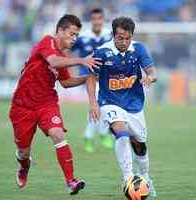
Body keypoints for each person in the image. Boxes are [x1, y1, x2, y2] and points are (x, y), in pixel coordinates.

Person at [9, 14, 101, 195]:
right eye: (72, 34)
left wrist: (89, 77)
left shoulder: (63, 56)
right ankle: (24, 165)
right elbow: (53, 61)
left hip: (46, 104)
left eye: (76, 35)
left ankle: (71, 181)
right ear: (60, 31)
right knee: (23, 152)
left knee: (58, 135)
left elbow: (66, 83)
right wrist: (82, 60)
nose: (74, 39)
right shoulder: (47, 42)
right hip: (22, 106)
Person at [86, 16, 157, 197]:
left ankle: (145, 177)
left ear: (132, 36)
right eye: (120, 38)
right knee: (121, 132)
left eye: (128, 38)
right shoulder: (102, 52)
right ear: (113, 35)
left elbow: (152, 71)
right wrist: (93, 103)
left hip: (134, 104)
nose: (124, 42)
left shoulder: (139, 49)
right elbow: (91, 78)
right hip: (109, 103)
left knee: (139, 144)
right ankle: (128, 178)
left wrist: (150, 77)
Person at [72, 8, 113, 153]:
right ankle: (95, 135)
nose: (96, 21)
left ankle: (97, 134)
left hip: (107, 77)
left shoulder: (110, 35)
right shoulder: (82, 37)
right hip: (89, 77)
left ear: (102, 20)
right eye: (94, 19)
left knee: (104, 106)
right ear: (91, 20)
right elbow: (67, 49)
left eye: (99, 18)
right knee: (98, 105)